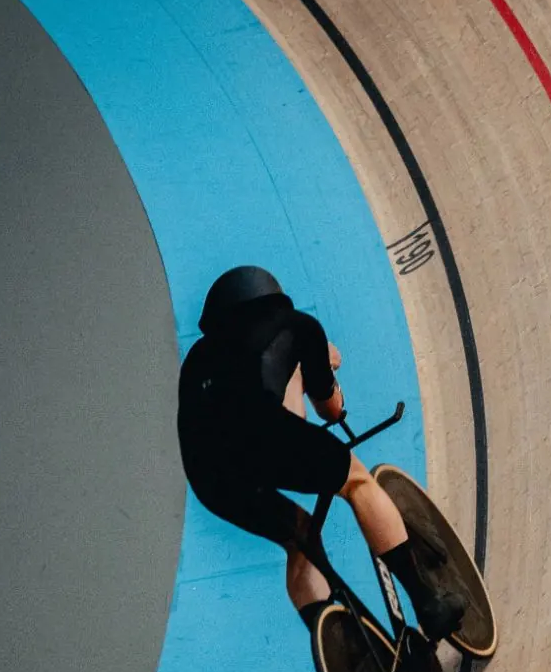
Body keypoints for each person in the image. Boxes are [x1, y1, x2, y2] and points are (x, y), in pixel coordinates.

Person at [177, 265, 465, 645]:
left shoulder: (197, 359)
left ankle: (349, 659)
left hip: (207, 476)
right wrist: (322, 368)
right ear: (273, 298)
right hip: (260, 435)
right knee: (357, 481)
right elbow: (329, 411)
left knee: (299, 538)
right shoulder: (296, 325)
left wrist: (290, 377)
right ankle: (429, 604)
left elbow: (248, 404)